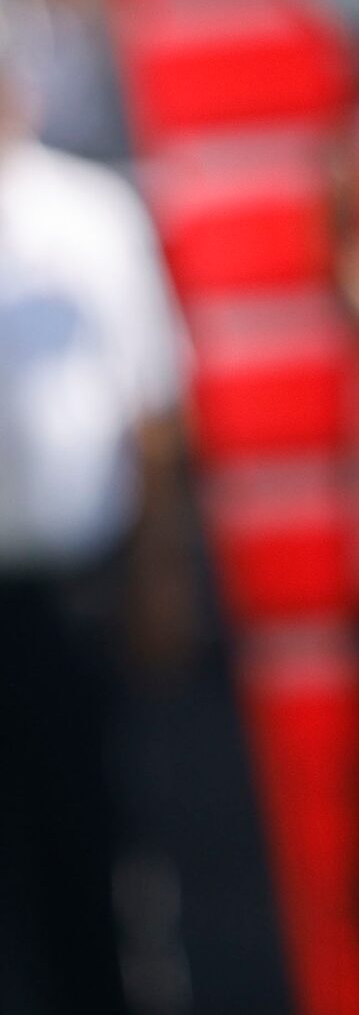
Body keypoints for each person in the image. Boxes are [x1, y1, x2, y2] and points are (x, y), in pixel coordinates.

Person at [0, 59, 190, 1015]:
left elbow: (151, 399)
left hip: (76, 584)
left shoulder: (91, 211)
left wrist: (160, 566)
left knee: (93, 844)